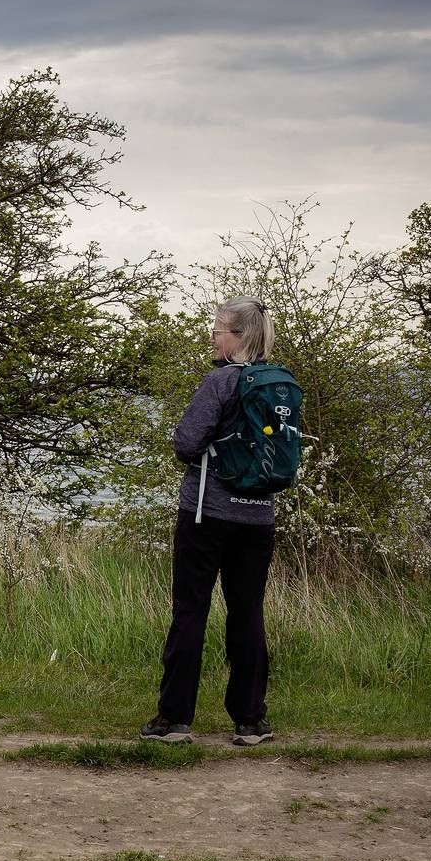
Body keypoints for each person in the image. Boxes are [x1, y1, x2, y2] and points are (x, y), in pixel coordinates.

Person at [142, 298, 279, 747]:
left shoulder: (219, 381)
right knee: (247, 613)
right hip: (258, 517)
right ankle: (250, 720)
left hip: (207, 513)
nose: (213, 336)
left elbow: (185, 442)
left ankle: (175, 720)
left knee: (190, 611)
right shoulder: (281, 383)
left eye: (219, 328)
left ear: (238, 337)